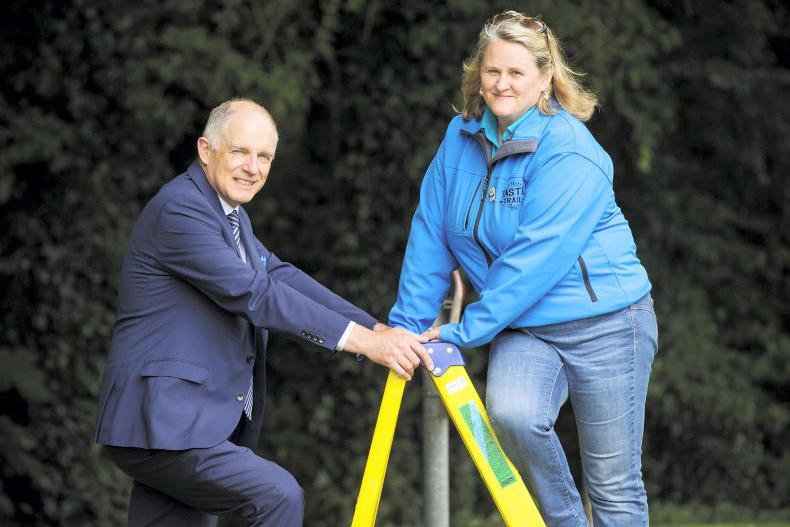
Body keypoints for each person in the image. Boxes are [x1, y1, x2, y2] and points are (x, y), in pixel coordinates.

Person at [94, 98, 433, 527]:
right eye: (240, 152)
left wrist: (376, 328)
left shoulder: (229, 216)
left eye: (264, 157)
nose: (252, 168)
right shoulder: (181, 210)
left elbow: (279, 275)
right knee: (277, 495)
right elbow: (255, 293)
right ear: (205, 150)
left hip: (181, 424)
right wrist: (366, 343)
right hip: (164, 424)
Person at [388, 10, 658, 526]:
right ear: (478, 76)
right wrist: (404, 327)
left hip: (606, 325)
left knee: (613, 485)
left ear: (545, 78)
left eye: (516, 72)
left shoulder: (570, 150)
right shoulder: (460, 137)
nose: (502, 83)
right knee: (512, 416)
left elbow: (534, 261)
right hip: (523, 324)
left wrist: (464, 329)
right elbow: (431, 234)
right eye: (493, 71)